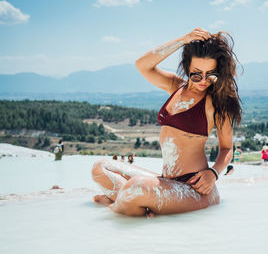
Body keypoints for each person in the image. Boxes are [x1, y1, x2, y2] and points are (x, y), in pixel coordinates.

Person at [91, 28, 242, 217]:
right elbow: (142, 65)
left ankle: (116, 205)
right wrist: (183, 40)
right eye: (196, 74)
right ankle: (137, 203)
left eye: (210, 75)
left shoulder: (218, 103)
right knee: (100, 168)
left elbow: (227, 148)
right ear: (187, 68)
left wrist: (213, 174)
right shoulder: (175, 86)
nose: (203, 81)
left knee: (136, 188)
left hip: (194, 190)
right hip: (167, 183)